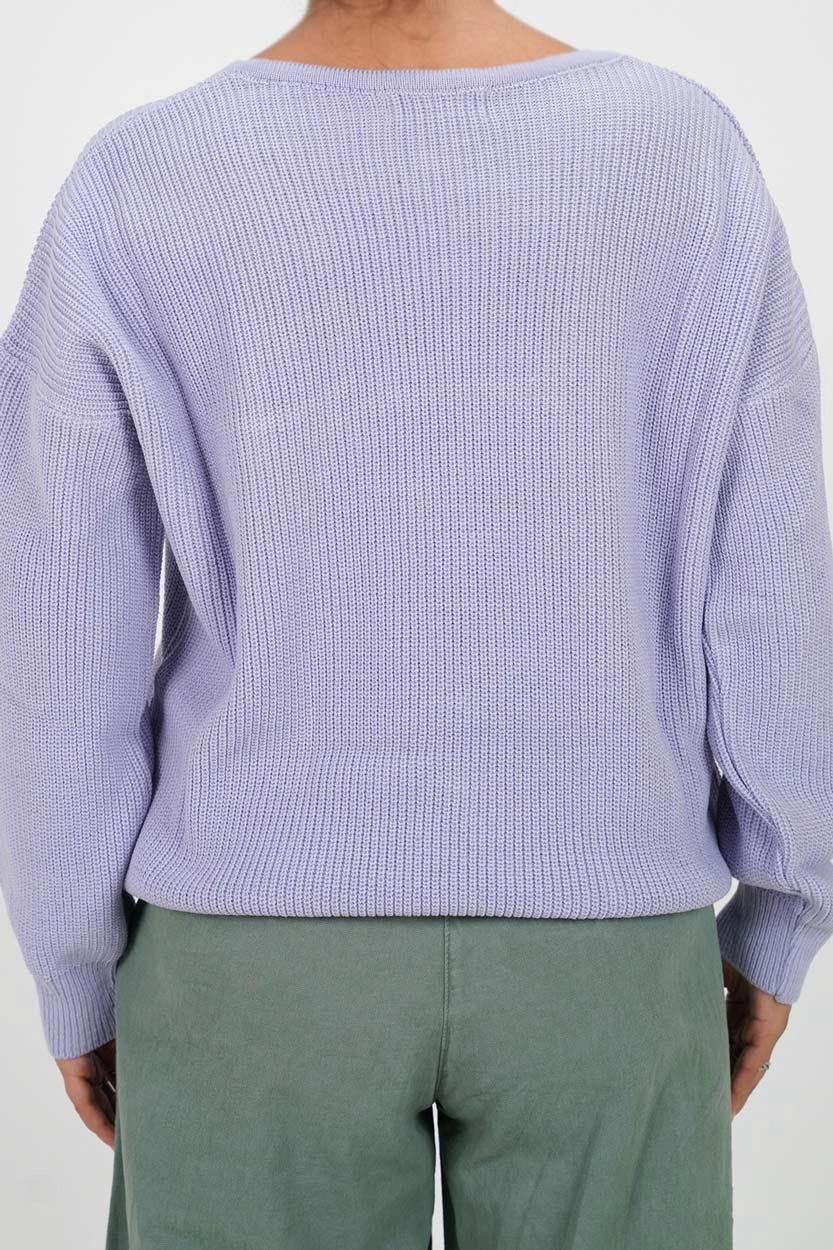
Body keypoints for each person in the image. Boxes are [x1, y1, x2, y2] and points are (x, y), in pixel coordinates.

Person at [1, 0, 831, 1246]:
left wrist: (74, 962)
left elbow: (60, 637)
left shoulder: (140, 181)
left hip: (249, 962)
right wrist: (781, 906)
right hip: (608, 941)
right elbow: (771, 577)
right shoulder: (678, 151)